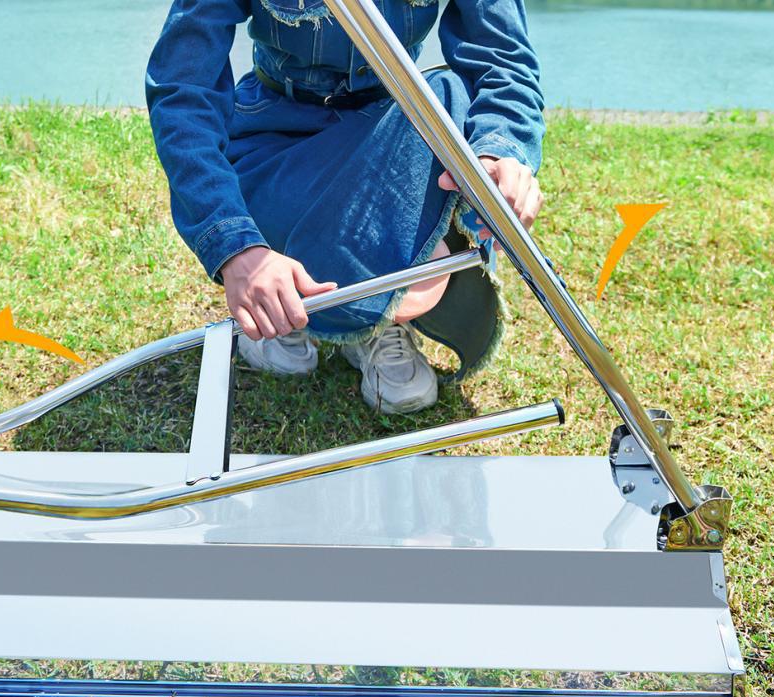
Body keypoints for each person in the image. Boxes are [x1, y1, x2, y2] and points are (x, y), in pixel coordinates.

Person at [146, 0, 544, 414]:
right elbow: (182, 92)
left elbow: (502, 59)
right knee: (426, 116)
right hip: (277, 142)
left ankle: (378, 319)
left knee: (446, 98)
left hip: (396, 132)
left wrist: (502, 152)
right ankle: (290, 301)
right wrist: (236, 248)